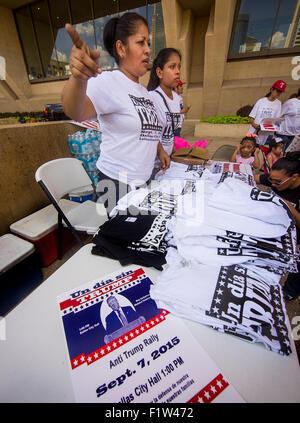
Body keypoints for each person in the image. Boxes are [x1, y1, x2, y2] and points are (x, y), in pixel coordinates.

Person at [61, 13, 170, 214]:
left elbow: (145, 129)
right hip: (117, 184)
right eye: (140, 42)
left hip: (144, 181)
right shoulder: (108, 81)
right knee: (124, 241)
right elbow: (75, 110)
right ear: (121, 48)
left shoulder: (143, 91)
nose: (148, 49)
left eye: (148, 43)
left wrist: (160, 150)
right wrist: (78, 78)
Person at [254, 151, 300, 301]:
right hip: (273, 227)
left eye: (277, 183)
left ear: (295, 177)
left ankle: (290, 291)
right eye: (271, 180)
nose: (273, 184)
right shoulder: (275, 178)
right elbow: (253, 178)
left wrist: (289, 208)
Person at [147, 48, 183, 172]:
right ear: (160, 72)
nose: (178, 72)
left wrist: (172, 153)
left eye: (179, 66)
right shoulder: (152, 97)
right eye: (172, 67)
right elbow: (149, 132)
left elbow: (171, 131)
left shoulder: (177, 99)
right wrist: (161, 151)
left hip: (166, 163)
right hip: (152, 164)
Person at [248, 80, 286, 145]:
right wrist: (254, 125)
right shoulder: (261, 101)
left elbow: (276, 119)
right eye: (277, 91)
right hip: (254, 132)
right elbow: (252, 116)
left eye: (280, 92)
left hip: (267, 134)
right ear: (272, 89)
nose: (278, 93)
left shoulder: (279, 103)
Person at [277, 87, 300, 153]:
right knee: (280, 154)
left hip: (295, 135)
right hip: (284, 134)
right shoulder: (291, 102)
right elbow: (279, 115)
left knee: (289, 156)